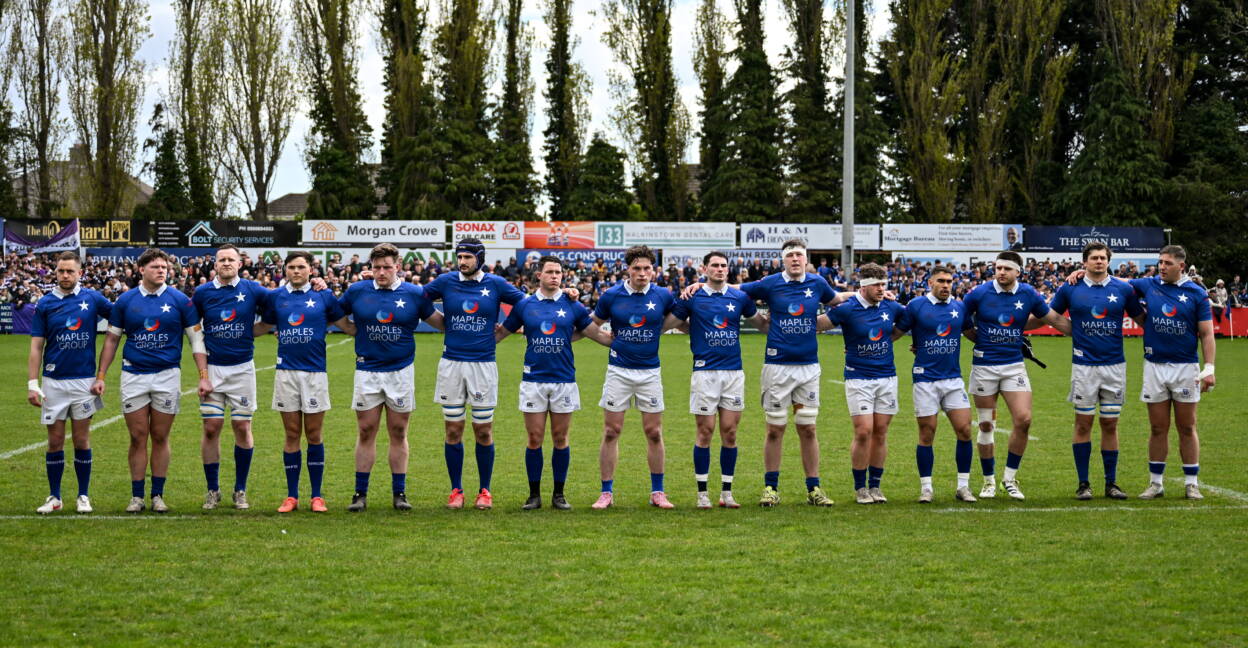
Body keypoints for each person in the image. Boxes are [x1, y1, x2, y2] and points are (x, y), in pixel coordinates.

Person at [685, 239, 852, 507]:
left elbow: (838, 300)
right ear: (783, 259)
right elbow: (732, 288)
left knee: (808, 428)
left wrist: (866, 292)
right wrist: (698, 286)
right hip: (776, 367)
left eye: (800, 255)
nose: (796, 259)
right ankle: (770, 488)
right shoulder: (769, 283)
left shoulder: (817, 283)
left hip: (809, 367)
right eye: (791, 256)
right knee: (775, 428)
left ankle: (814, 488)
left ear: (805, 259)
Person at [95, 248, 209, 513]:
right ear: (141, 270)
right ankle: (137, 497)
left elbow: (196, 340)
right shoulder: (125, 300)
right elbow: (111, 339)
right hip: (133, 375)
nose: (162, 270)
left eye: (164, 267)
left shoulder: (181, 300)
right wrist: (101, 375)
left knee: (160, 435)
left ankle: (157, 495)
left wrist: (203, 376)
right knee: (137, 436)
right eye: (156, 266)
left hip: (167, 376)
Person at [496, 256, 613, 510]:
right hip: (533, 380)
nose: (555, 276)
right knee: (535, 437)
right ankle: (534, 494)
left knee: (560, 437)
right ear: (539, 275)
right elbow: (501, 333)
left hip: (564, 380)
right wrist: (468, 340)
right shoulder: (525, 305)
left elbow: (596, 333)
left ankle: (559, 494)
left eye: (558, 272)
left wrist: (623, 342)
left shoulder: (572, 305)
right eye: (549, 272)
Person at [422, 238, 526, 510]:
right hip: (451, 365)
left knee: (483, 431)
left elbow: (526, 304)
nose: (463, 261)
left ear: (480, 258)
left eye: (468, 257)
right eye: (460, 257)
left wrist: (503, 331)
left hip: (483, 365)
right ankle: (456, 490)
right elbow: (416, 299)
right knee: (453, 429)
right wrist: (439, 323)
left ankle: (485, 490)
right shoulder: (445, 282)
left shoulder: (495, 284)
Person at [338, 244, 443, 512]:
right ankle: (359, 494)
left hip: (401, 371)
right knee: (366, 430)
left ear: (398, 266)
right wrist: (352, 331)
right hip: (367, 371)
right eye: (376, 267)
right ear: (370, 267)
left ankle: (399, 493)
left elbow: (440, 323)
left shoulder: (414, 294)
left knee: (398, 431)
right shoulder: (358, 291)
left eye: (387, 267)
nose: (381, 272)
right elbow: (333, 313)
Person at [961, 250, 1070, 501]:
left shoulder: (1028, 294)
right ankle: (988, 481)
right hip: (984, 367)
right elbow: (960, 319)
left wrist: (1085, 335)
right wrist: (978, 339)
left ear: (1017, 272)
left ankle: (1009, 479)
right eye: (998, 268)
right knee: (987, 424)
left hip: (1013, 367)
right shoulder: (979, 293)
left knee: (1023, 419)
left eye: (1006, 269)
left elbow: (1052, 318)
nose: (1001, 272)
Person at [255, 252, 355, 513]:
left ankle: (317, 496)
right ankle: (291, 496)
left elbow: (348, 326)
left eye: (301, 267)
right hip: (285, 373)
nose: (296, 271)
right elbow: (261, 326)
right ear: (285, 270)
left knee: (313, 435)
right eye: (291, 267)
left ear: (311, 270)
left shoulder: (324, 296)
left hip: (315, 374)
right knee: (291, 435)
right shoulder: (275, 297)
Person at [670, 251, 767, 509]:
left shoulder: (740, 297)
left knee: (730, 432)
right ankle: (702, 493)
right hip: (705, 372)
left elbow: (761, 324)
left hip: (734, 373)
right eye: (715, 265)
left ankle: (726, 492)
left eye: (724, 265)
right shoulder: (693, 296)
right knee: (705, 432)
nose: (720, 269)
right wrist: (692, 329)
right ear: (704, 268)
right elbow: (671, 321)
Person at [1049, 242, 1142, 500]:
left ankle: (1111, 483)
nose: (1099, 261)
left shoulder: (1123, 288)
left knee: (1110, 424)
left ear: (1109, 261)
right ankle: (1083, 484)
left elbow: (1141, 318)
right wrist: (1071, 331)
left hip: (1115, 366)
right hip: (1084, 366)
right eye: (1094, 258)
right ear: (1085, 262)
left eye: (1103, 258)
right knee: (1083, 423)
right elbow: (1051, 315)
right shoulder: (1070, 287)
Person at [589, 245, 680, 509]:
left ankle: (658, 492)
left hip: (650, 372)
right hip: (618, 371)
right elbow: (591, 325)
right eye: (637, 268)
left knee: (653, 432)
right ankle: (606, 492)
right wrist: (608, 342)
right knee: (611, 431)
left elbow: (682, 320)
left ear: (654, 270)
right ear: (628, 270)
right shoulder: (611, 296)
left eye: (647, 268)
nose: (642, 273)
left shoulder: (663, 295)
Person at [27, 251, 112, 514]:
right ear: (56, 272)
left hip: (84, 383)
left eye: (70, 271)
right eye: (61, 271)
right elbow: (36, 346)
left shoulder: (92, 298)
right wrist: (33, 383)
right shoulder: (45, 304)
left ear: (80, 273)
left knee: (81, 440)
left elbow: (120, 319)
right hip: (53, 382)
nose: (65, 275)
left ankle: (83, 496)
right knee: (54, 442)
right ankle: (55, 497)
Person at [1131, 245, 1216, 500]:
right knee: (1158, 428)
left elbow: (1207, 333)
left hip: (1185, 368)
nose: (1161, 267)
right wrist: (1081, 274)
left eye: (1167, 263)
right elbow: (1117, 282)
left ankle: (1192, 483)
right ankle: (1156, 483)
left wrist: (1209, 368)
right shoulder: (1148, 284)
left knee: (1187, 427)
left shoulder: (1196, 293)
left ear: (1181, 266)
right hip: (1154, 366)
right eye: (1160, 262)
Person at [821, 263, 910, 504]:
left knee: (880, 433)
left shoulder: (891, 306)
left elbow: (911, 320)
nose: (882, 289)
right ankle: (860, 488)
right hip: (859, 378)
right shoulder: (847, 309)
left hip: (887, 377)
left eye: (884, 285)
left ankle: (876, 486)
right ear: (864, 286)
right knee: (863, 431)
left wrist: (903, 340)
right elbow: (819, 325)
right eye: (877, 285)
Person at [191, 245, 271, 511]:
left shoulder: (252, 289)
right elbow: (195, 335)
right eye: (221, 259)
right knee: (211, 427)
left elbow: (280, 303)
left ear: (240, 264)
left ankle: (240, 489)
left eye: (231, 259)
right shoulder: (202, 293)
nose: (226, 263)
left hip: (243, 370)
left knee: (242, 428)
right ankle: (213, 490)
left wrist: (254, 332)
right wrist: (202, 375)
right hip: (213, 369)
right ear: (215, 264)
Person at [894, 265, 978, 503]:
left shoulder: (959, 307)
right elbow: (896, 333)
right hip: (925, 379)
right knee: (927, 433)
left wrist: (1002, 342)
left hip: (953, 379)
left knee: (964, 430)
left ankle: (963, 487)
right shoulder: (916, 306)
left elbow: (972, 334)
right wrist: (862, 344)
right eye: (941, 281)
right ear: (929, 282)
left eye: (949, 281)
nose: (945, 285)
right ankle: (926, 488)